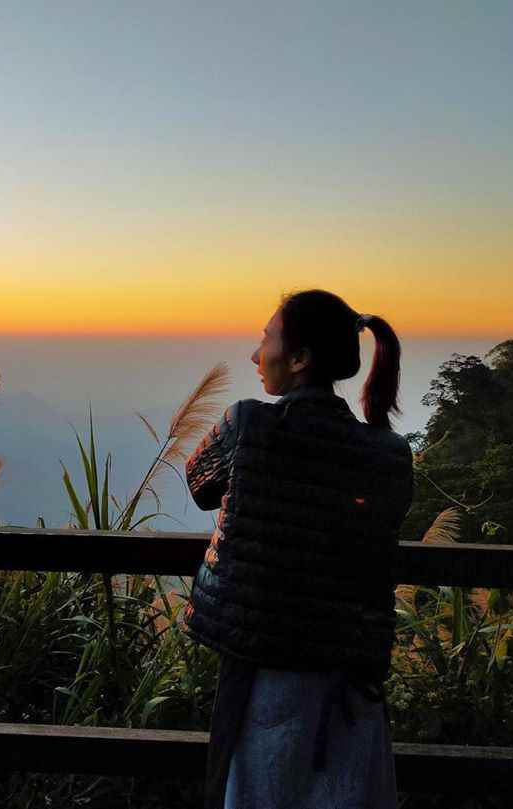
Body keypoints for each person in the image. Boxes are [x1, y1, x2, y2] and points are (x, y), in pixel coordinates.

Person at [182, 289, 414, 809]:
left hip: (265, 665)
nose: (255, 353)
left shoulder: (249, 424)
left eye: (266, 338)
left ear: (300, 358)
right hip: (351, 678)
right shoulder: (389, 453)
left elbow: (199, 485)